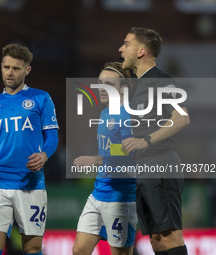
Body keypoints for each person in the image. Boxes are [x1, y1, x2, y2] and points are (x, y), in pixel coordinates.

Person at [0, 43, 59, 255]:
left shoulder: (41, 98)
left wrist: (44, 155)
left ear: (27, 70)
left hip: (31, 185)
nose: (10, 72)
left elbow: (52, 136)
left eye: (16, 68)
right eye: (6, 67)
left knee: (32, 248)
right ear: (1, 66)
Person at [119, 27, 190, 255]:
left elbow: (182, 118)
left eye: (126, 44)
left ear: (141, 51)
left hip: (161, 163)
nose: (121, 48)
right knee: (157, 239)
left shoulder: (160, 81)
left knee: (170, 236)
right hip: (143, 168)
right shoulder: (137, 85)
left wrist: (147, 140)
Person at [72, 62, 137, 255]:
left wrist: (95, 160)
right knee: (79, 250)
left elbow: (129, 153)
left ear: (123, 88)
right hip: (99, 192)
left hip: (121, 196)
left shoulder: (129, 115)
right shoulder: (105, 112)